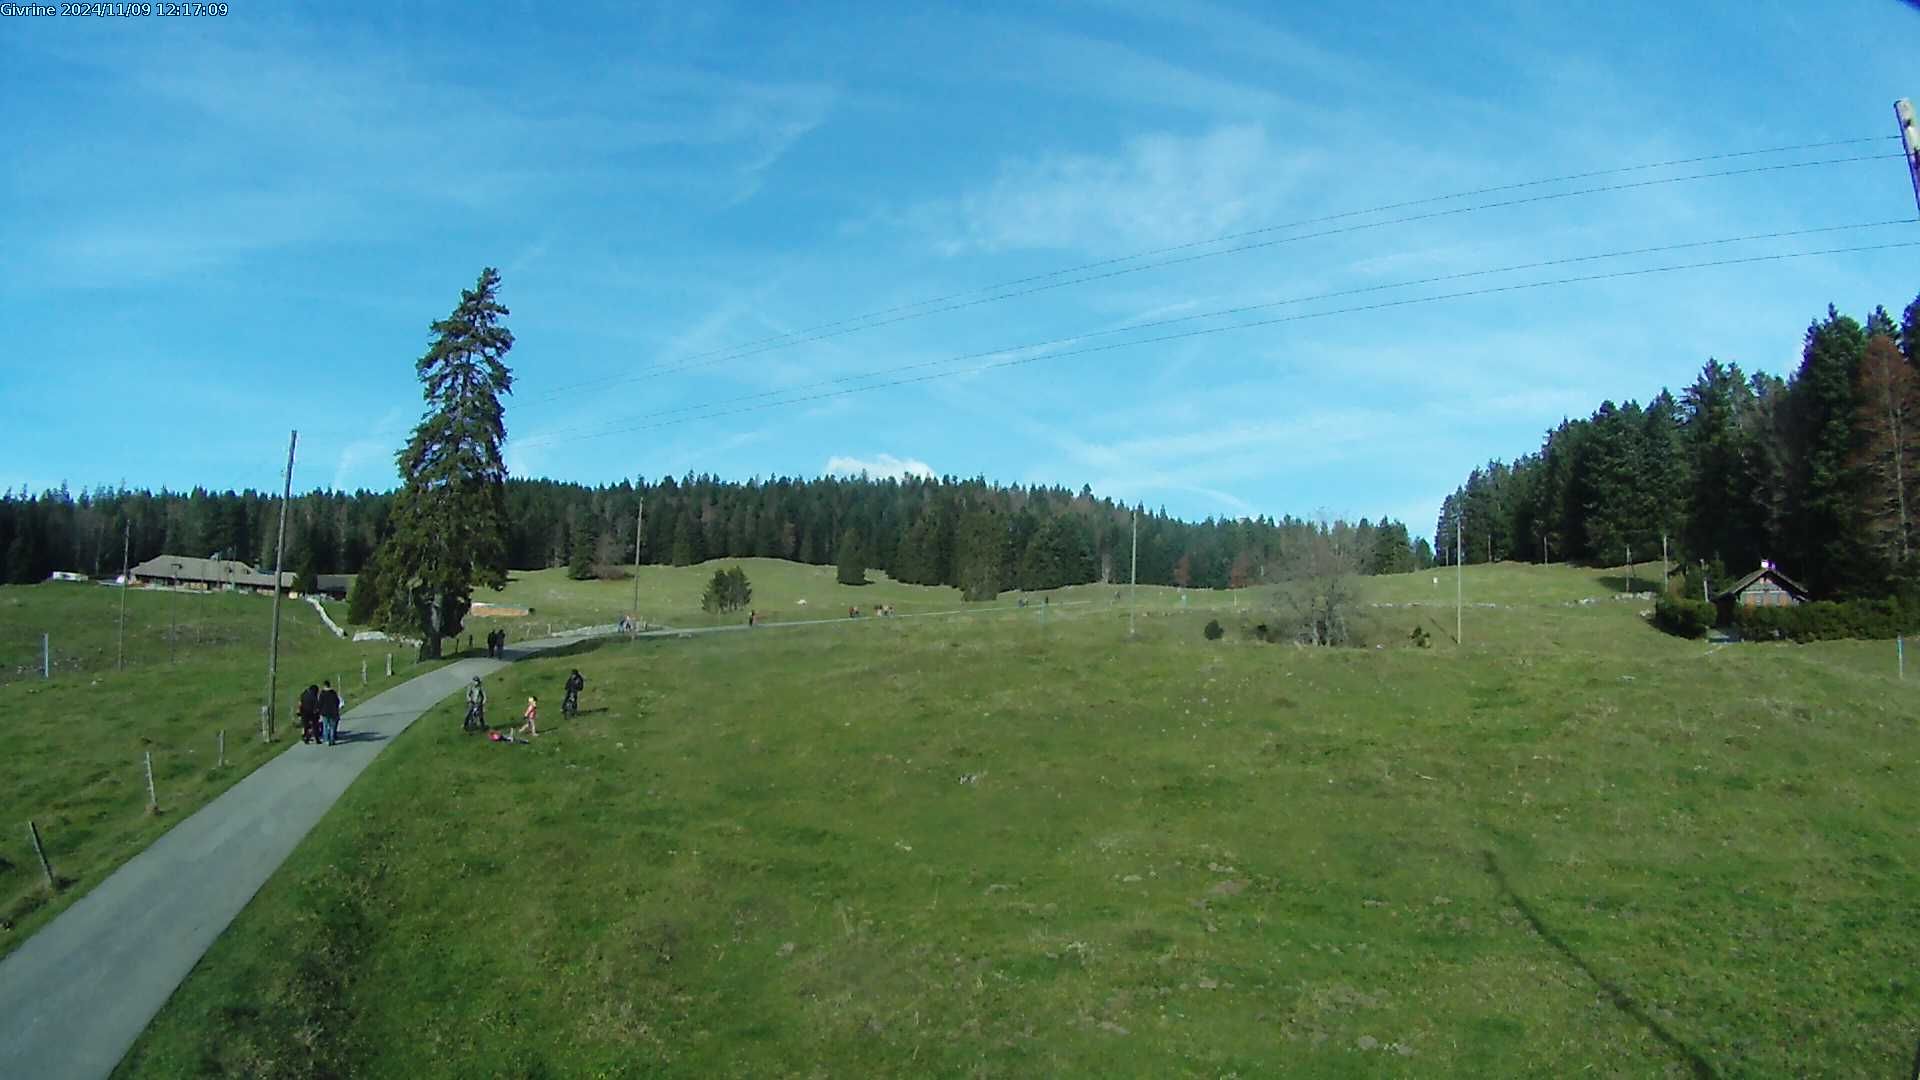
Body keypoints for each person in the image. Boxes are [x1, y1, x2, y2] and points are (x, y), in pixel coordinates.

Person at [318, 680, 342, 746]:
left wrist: (320, 711)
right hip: (333, 712)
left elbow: (320, 703)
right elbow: (337, 701)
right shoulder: (333, 693)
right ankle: (332, 740)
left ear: (324, 686)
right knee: (332, 727)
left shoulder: (322, 693)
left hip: (324, 712)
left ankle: (326, 740)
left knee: (325, 726)